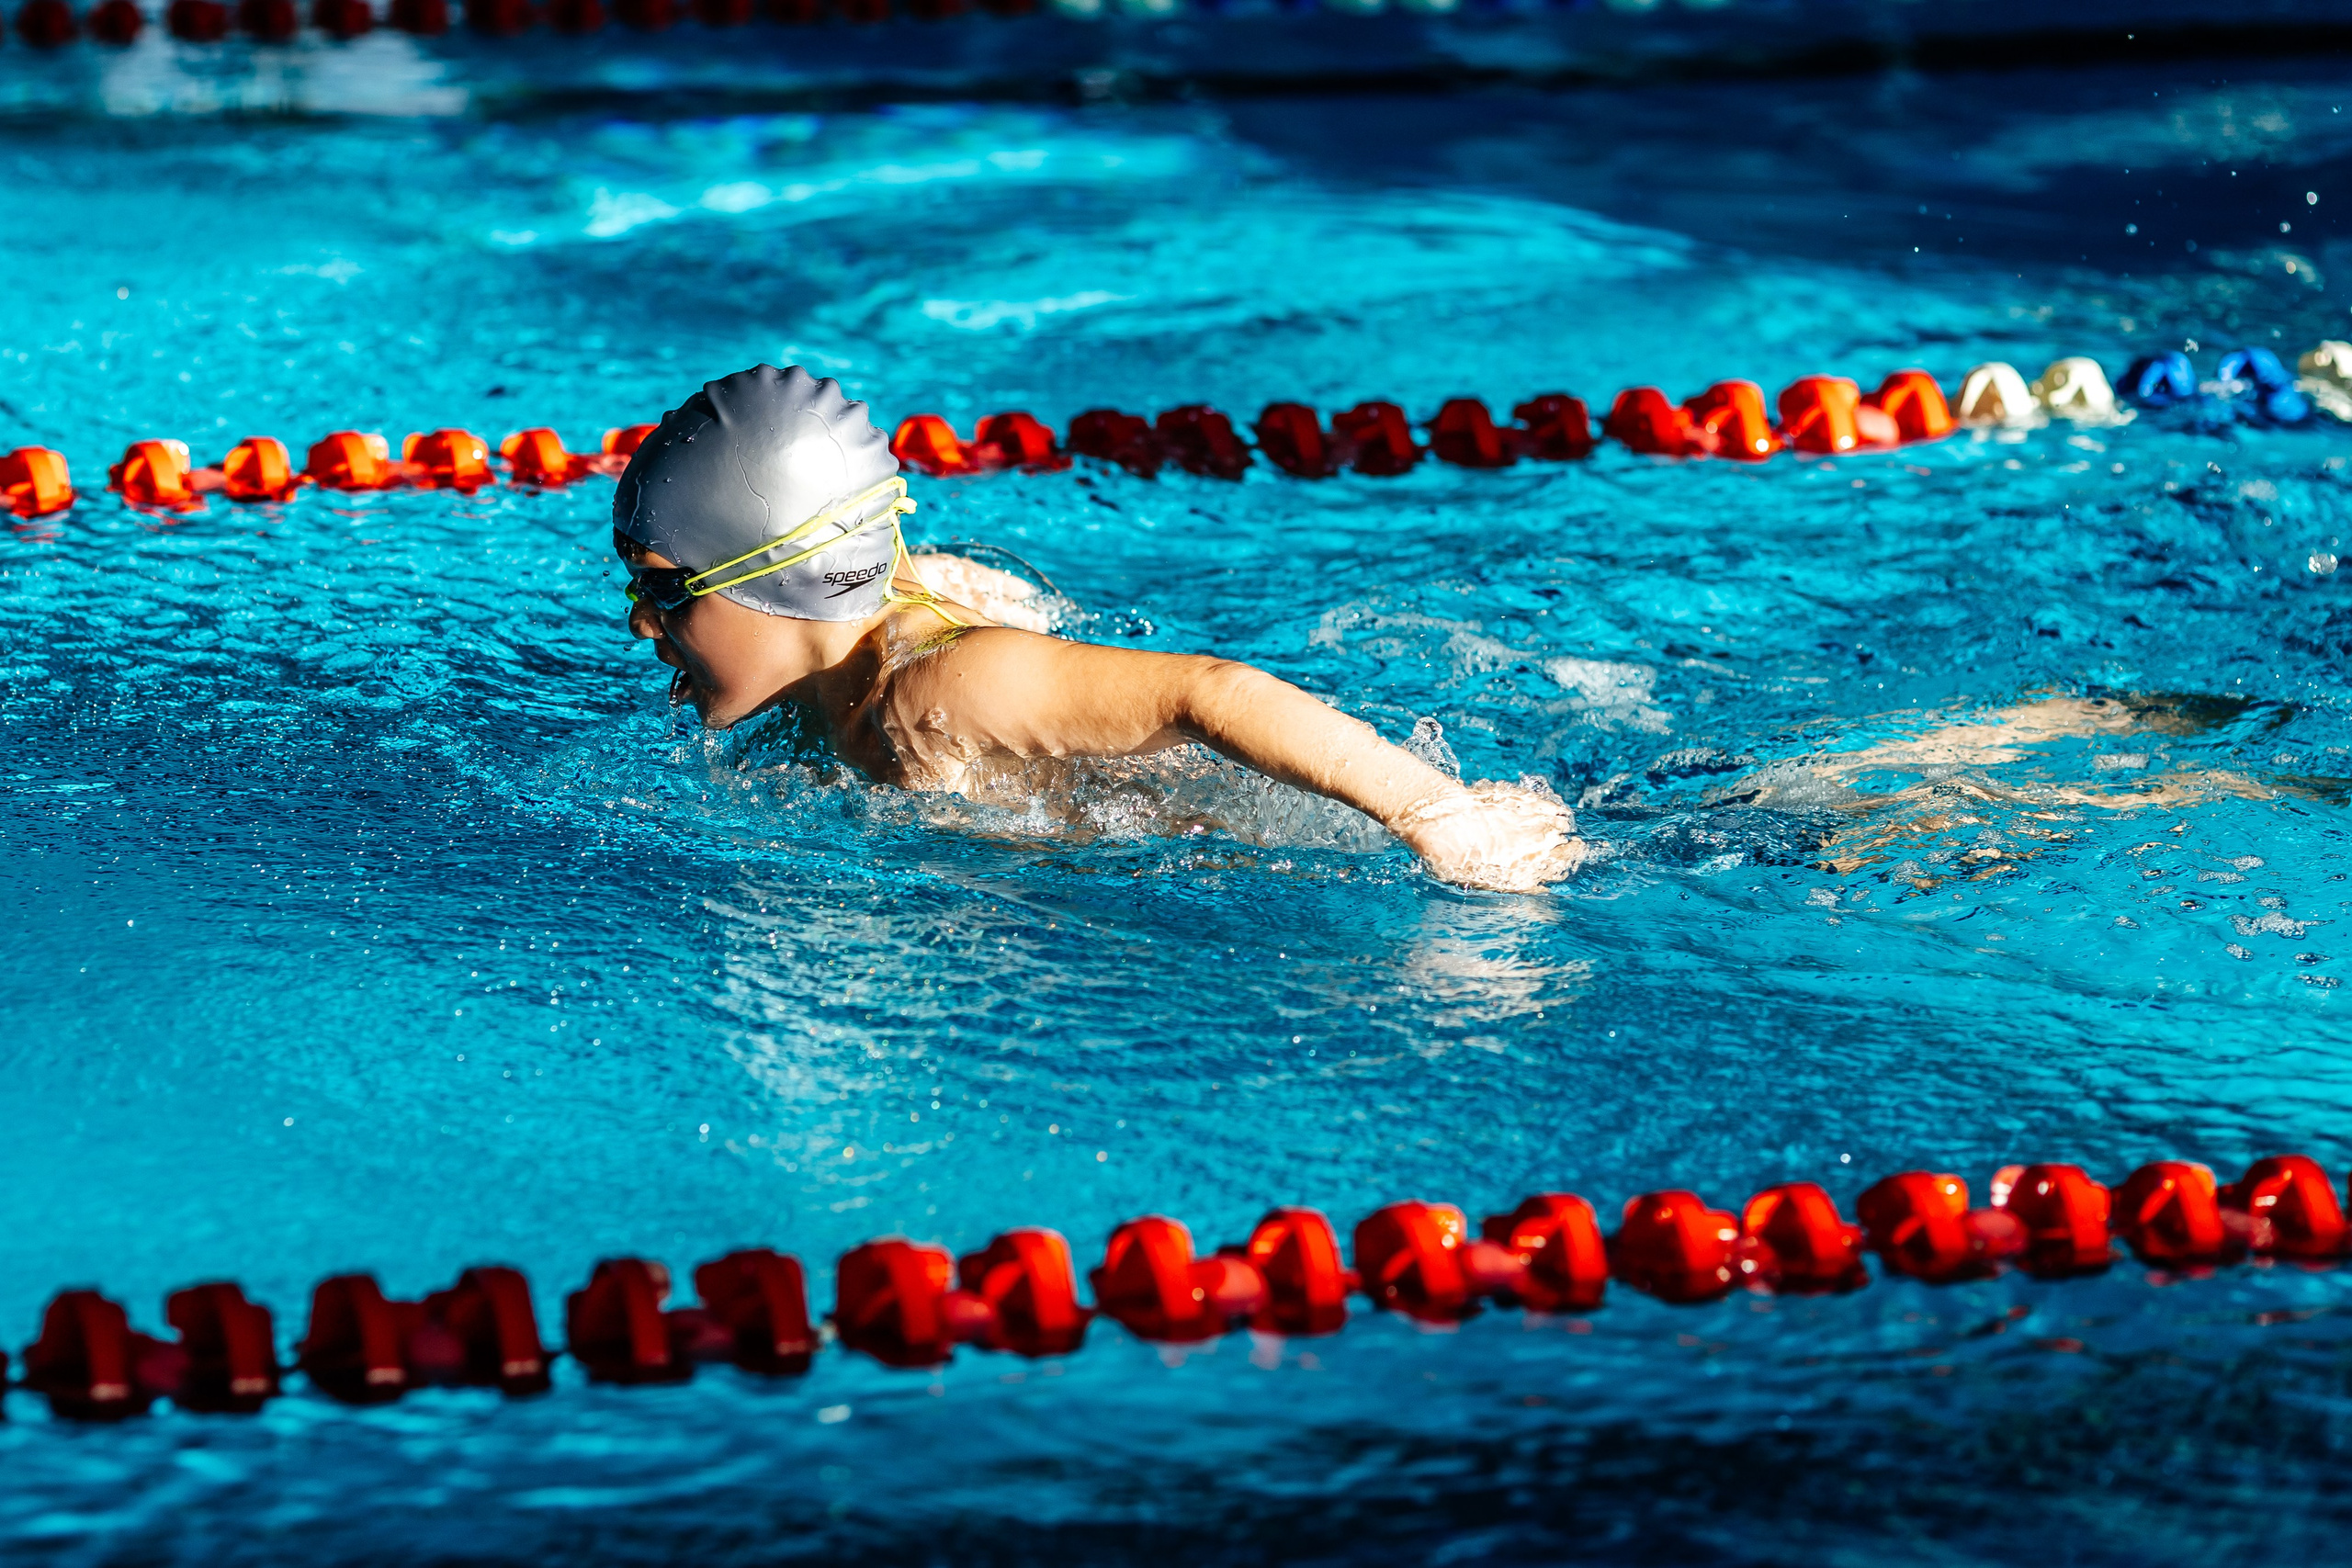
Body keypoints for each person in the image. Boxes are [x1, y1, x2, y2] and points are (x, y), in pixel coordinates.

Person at [614, 364, 1583, 892]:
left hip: (1281, 847)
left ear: (779, 578)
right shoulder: (819, 697)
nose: (639, 625)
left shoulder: (935, 697)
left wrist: (1438, 817)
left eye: (662, 592)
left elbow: (1211, 693)